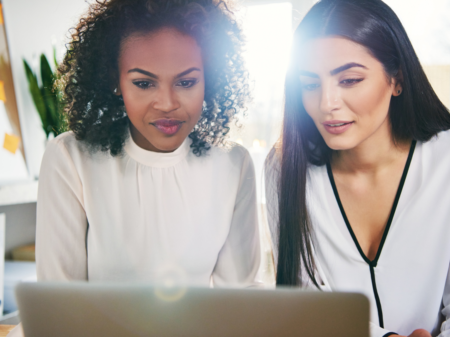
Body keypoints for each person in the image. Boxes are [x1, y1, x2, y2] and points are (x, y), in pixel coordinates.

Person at [34, 0, 260, 286]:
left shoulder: (233, 165)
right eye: (143, 83)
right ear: (115, 81)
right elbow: (59, 304)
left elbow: (239, 301)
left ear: (210, 80)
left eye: (187, 82)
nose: (167, 104)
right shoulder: (70, 159)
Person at [265, 0, 450, 336]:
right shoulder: (286, 168)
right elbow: (305, 308)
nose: (326, 104)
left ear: (397, 79)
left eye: (349, 80)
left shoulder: (446, 161)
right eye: (310, 84)